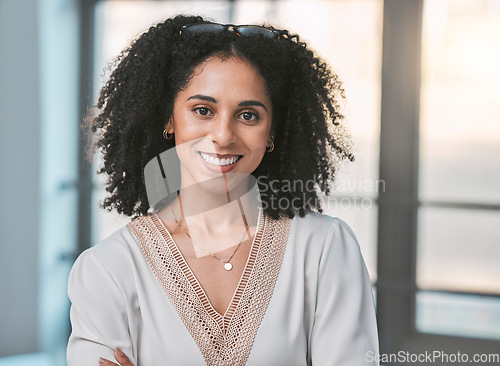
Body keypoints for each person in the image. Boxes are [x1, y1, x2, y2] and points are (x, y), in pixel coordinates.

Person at [67, 15, 379, 366]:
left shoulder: (324, 250)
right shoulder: (109, 269)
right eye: (203, 110)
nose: (223, 135)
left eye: (248, 115)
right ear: (169, 119)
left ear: (272, 131)